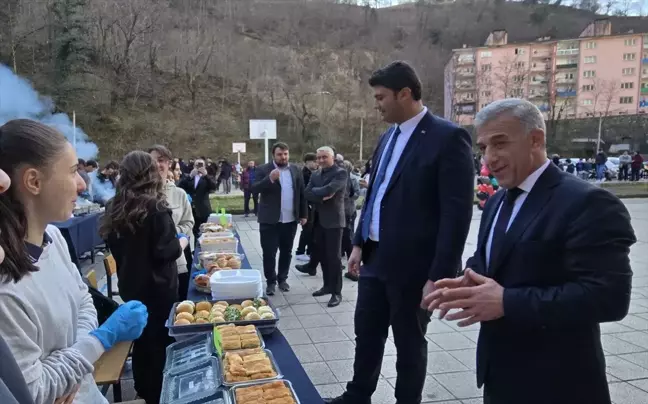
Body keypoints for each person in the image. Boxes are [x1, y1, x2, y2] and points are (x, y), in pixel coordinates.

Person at [423, 99, 636, 404]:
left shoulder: (589, 203)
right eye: (483, 147)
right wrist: (470, 280)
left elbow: (609, 298)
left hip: (559, 384)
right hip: (499, 377)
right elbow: (495, 261)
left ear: (536, 140)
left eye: (500, 143)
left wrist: (506, 301)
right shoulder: (496, 201)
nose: (489, 159)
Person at [325, 61, 474, 404]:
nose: (376, 104)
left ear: (405, 93)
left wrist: (439, 275)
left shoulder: (447, 137)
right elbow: (375, 193)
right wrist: (360, 243)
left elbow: (456, 213)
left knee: (408, 342)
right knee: (367, 333)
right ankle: (358, 394)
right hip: (376, 260)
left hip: (414, 267)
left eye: (381, 97)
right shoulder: (388, 136)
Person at [0, 119, 148, 404]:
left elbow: (83, 300)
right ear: (34, 181)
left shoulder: (53, 238)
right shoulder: (7, 285)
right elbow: (33, 391)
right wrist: (97, 341)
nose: (82, 183)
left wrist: (70, 360)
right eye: (72, 172)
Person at [101, 151, 188, 404]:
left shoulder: (113, 206)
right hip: (159, 288)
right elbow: (166, 251)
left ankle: (143, 388)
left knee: (141, 338)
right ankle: (160, 392)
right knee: (160, 342)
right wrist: (181, 241)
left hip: (129, 284)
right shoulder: (156, 207)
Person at [250, 142, 308, 296]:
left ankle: (283, 279)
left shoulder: (295, 170)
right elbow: (253, 188)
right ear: (273, 155)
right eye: (280, 154)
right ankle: (270, 282)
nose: (283, 157)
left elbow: (301, 193)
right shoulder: (263, 169)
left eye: (286, 154)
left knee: (286, 251)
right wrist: (269, 179)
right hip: (269, 220)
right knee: (269, 252)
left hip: (290, 220)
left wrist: (303, 214)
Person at [304, 147, 349, 307]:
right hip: (318, 221)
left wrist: (318, 193)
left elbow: (331, 189)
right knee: (322, 255)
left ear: (332, 157)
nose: (321, 160)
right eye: (319, 157)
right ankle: (327, 286)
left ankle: (336, 292)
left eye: (324, 157)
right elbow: (307, 193)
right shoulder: (315, 174)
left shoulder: (341, 173)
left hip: (334, 222)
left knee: (334, 258)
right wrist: (322, 196)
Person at [149, 145, 195, 301]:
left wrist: (169, 232)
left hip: (179, 261)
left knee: (181, 305)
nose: (157, 165)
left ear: (169, 164)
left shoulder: (179, 194)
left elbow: (188, 223)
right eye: (153, 160)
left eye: (161, 160)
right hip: (152, 268)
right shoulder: (143, 195)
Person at [179, 158, 217, 237]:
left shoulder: (207, 178)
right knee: (194, 232)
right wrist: (190, 176)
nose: (199, 168)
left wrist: (206, 175)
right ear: (193, 166)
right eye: (197, 165)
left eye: (201, 165)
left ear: (205, 166)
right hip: (191, 210)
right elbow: (180, 186)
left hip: (204, 209)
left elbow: (213, 187)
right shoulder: (189, 178)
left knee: (206, 231)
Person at [295, 153, 318, 261]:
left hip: (312, 205)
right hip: (307, 205)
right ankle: (300, 251)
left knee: (311, 230)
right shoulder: (304, 174)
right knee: (307, 229)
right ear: (308, 162)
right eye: (314, 161)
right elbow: (303, 192)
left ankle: (309, 251)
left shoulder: (312, 173)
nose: (316, 163)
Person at [341, 160, 360, 281]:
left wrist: (347, 198)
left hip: (348, 211)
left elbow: (357, 194)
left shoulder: (352, 178)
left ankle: (351, 267)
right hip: (340, 211)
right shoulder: (340, 177)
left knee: (348, 235)